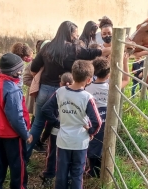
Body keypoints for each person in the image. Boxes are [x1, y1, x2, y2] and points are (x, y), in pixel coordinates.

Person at [26, 20, 111, 162]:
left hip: (44, 91)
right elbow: (95, 52)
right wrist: (117, 46)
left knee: (37, 124)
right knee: (63, 125)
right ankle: (57, 160)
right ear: (69, 34)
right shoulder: (74, 49)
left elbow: (33, 68)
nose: (77, 37)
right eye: (75, 35)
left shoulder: (47, 48)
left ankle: (24, 155)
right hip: (64, 92)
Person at [42, 60, 102, 189]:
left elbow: (45, 110)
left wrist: (58, 123)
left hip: (63, 139)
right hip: (80, 141)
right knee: (77, 173)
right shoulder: (87, 97)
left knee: (61, 172)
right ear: (89, 79)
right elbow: (98, 121)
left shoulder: (60, 92)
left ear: (73, 75)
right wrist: (91, 132)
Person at [0, 53, 33, 189]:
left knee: (0, 162)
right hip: (13, 135)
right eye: (20, 69)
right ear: (16, 71)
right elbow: (16, 118)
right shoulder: (13, 90)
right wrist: (25, 134)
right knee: (18, 165)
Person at [85, 55, 129, 178]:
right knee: (106, 143)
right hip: (107, 120)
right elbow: (126, 80)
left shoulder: (87, 87)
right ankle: (104, 168)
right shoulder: (111, 87)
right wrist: (125, 62)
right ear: (109, 74)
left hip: (92, 121)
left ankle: (93, 169)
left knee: (93, 143)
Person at [39, 72, 73, 187]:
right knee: (68, 156)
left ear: (60, 83)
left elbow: (46, 110)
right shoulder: (77, 95)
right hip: (70, 132)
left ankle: (48, 176)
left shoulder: (57, 94)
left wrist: (56, 123)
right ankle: (68, 179)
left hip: (56, 131)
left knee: (52, 154)